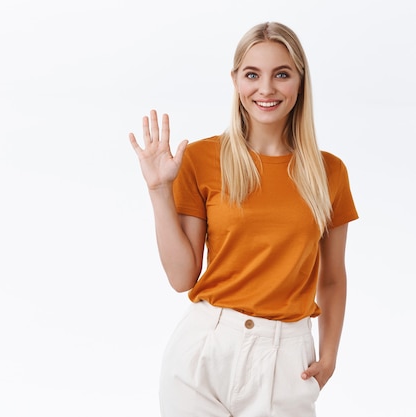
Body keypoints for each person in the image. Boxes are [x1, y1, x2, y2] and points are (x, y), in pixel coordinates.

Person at [128, 22, 358, 417]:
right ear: (235, 81)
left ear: (300, 81)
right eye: (252, 74)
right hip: (203, 353)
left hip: (286, 361)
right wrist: (158, 192)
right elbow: (182, 278)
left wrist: (330, 355)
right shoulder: (202, 159)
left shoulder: (329, 173)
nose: (265, 89)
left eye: (281, 74)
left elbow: (332, 277)